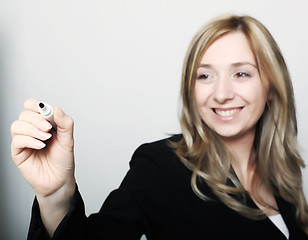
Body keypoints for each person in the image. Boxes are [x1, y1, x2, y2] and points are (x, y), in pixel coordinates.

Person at [10, 14, 308, 240]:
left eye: (241, 73)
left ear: (271, 85)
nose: (221, 93)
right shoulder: (161, 166)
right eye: (204, 76)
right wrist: (55, 197)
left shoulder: (283, 175)